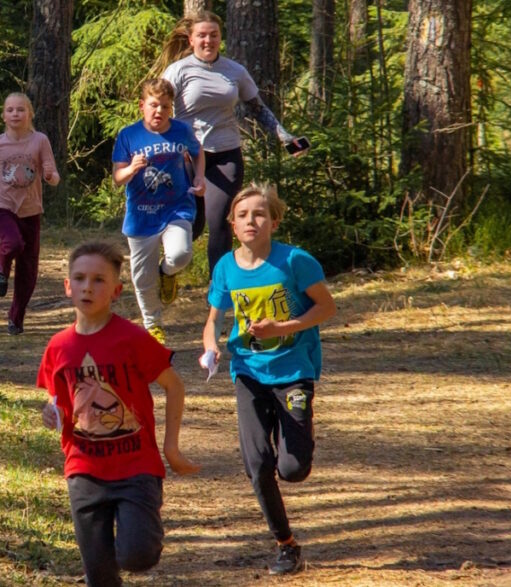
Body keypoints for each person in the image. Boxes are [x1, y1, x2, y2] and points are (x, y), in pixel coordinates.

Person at [38, 240, 200, 587]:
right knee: (100, 576)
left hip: (136, 467)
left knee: (136, 556)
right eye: (79, 278)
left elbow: (174, 386)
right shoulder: (58, 346)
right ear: (68, 286)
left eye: (99, 280)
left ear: (116, 290)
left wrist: (171, 448)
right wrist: (51, 413)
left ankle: (137, 532)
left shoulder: (133, 339)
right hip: (83, 469)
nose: (87, 287)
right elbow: (57, 398)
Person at [201, 184, 336, 576]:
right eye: (242, 215)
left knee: (292, 469)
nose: (250, 221)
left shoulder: (295, 261)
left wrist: (285, 327)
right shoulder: (225, 267)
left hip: (294, 370)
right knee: (257, 464)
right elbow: (213, 321)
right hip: (248, 372)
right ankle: (286, 545)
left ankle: (300, 431)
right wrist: (210, 349)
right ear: (231, 223)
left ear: (274, 221)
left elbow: (326, 307)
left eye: (259, 214)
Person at [158, 11, 309, 275]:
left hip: (226, 154)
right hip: (188, 158)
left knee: (219, 223)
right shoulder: (178, 71)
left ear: (221, 38)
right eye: (202, 36)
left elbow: (258, 108)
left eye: (214, 35)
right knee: (192, 225)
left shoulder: (235, 71)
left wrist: (285, 137)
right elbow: (158, 109)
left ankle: (219, 295)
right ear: (191, 40)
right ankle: (166, 270)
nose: (209, 41)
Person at [112, 78, 206, 345]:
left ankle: (167, 273)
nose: (159, 112)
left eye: (165, 107)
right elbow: (117, 177)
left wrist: (199, 178)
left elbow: (198, 153)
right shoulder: (128, 135)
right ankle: (153, 324)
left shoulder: (181, 131)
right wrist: (132, 168)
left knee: (180, 254)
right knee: (142, 276)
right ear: (142, 106)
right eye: (154, 105)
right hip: (141, 215)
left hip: (177, 207)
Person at [0, 92, 60, 335]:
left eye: (20, 109)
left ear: (30, 114)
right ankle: (1, 267)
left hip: (31, 210)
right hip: (2, 204)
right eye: (10, 110)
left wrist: (50, 177)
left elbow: (52, 173)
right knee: (12, 242)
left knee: (28, 270)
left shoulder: (40, 140)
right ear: (3, 116)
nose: (15, 113)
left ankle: (16, 318)